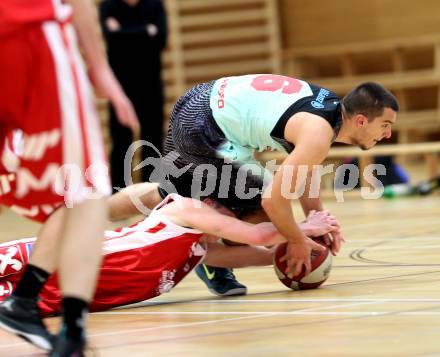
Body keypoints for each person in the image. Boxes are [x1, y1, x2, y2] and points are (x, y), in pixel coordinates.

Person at [109, 74, 399, 297]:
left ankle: (90, 209)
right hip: (207, 129)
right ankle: (214, 260)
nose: (387, 134)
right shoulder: (318, 132)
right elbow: (274, 201)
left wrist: (316, 218)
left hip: (197, 101)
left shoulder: (327, 108)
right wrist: (297, 239)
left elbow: (305, 171)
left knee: (171, 194)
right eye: (385, 125)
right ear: (361, 120)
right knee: (261, 212)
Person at [0, 0, 139, 355]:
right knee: (85, 189)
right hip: (31, 34)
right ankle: (71, 331)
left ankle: (27, 300)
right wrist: (99, 67)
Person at [0, 191, 339, 315]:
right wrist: (306, 227)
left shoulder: (195, 249)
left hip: (67, 292)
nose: (234, 234)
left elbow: (255, 252)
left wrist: (293, 252)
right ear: (225, 207)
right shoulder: (188, 210)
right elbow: (258, 235)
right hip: (50, 260)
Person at [99, 0, 168, 189]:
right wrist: (146, 31)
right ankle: (118, 191)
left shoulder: (154, 5)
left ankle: (153, 190)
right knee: (120, 141)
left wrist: (122, 32)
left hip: (151, 85)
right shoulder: (108, 6)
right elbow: (111, 39)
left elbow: (161, 39)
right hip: (121, 88)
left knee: (152, 138)